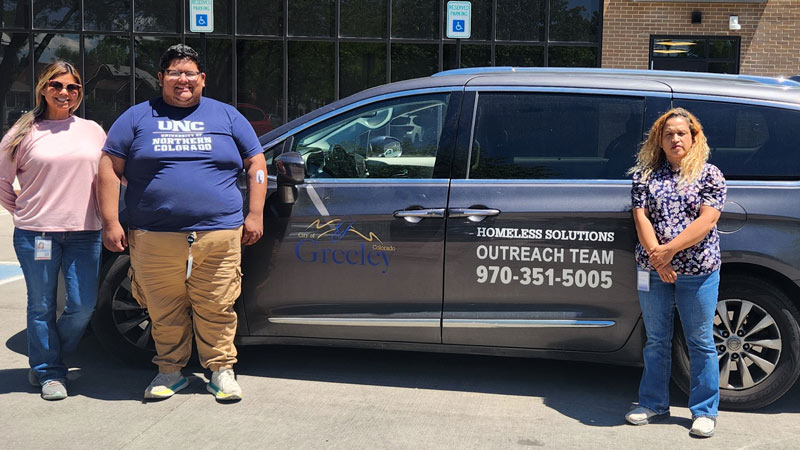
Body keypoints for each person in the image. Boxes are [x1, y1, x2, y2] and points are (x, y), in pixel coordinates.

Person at [98, 44, 267, 401]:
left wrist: (255, 213)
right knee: (162, 306)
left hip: (219, 233)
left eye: (190, 73)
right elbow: (109, 170)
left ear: (202, 79)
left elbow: (257, 164)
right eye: (174, 73)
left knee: (217, 304)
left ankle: (220, 371)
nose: (182, 80)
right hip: (153, 236)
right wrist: (111, 221)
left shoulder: (228, 116)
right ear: (161, 78)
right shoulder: (136, 118)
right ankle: (170, 372)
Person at [0, 61, 106, 400]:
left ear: (79, 94)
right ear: (43, 88)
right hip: (37, 235)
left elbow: (108, 176)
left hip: (86, 232)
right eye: (57, 85)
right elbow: (2, 181)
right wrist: (24, 211)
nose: (64, 92)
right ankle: (49, 372)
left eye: (72, 87)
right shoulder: (22, 131)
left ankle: (50, 357)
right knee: (42, 305)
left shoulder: (92, 130)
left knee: (82, 305)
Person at [625, 108, 726, 437]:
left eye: (681, 133)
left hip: (698, 272)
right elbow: (641, 217)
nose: (675, 138)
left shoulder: (710, 175)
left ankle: (704, 410)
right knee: (656, 340)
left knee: (700, 341)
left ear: (694, 137)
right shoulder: (645, 175)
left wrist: (669, 252)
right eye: (668, 133)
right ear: (659, 140)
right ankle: (652, 402)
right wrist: (659, 260)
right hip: (653, 270)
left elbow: (707, 220)